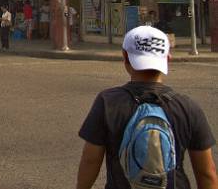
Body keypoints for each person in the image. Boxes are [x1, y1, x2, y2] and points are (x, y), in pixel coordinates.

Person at [76, 26, 217, 189]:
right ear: (168, 59)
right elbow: (206, 173)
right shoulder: (187, 107)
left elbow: (90, 160)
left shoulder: (108, 102)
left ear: (125, 57)